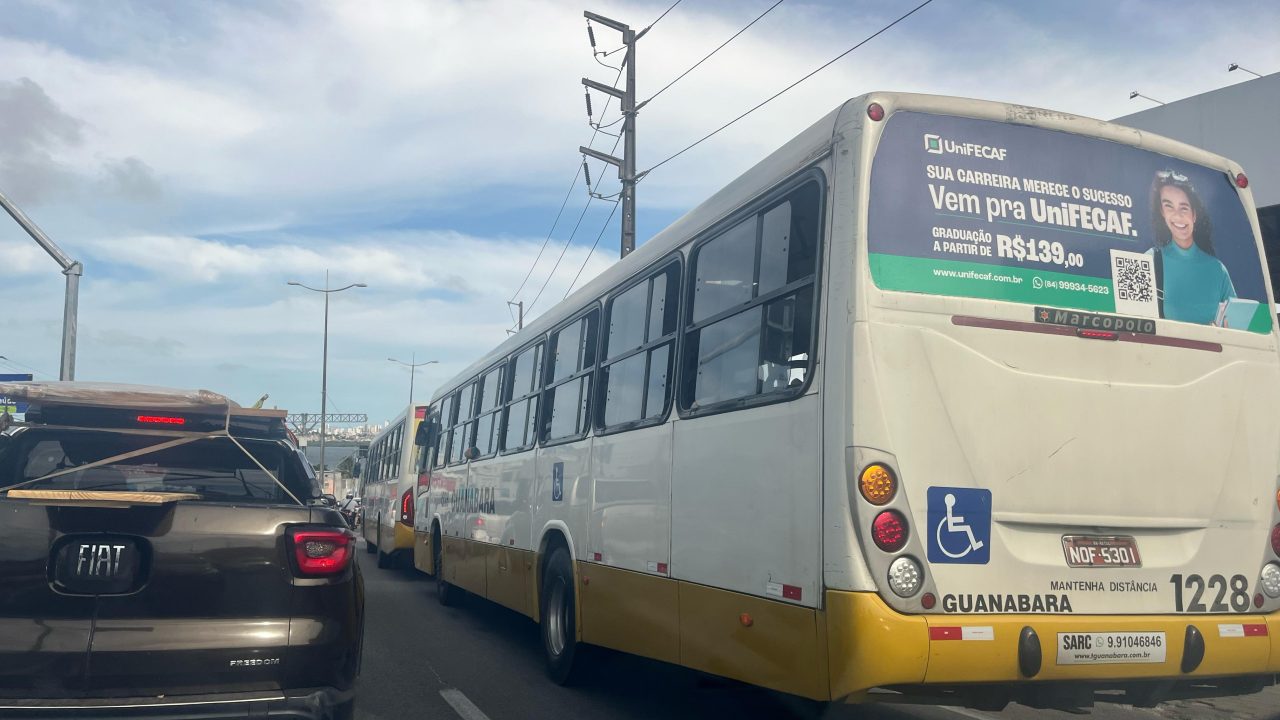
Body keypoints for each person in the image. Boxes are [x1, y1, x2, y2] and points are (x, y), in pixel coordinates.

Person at [1148, 170, 1235, 325]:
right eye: (1169, 207)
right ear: (1162, 212)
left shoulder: (1217, 269)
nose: (1177, 215)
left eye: (1184, 208)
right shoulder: (1150, 260)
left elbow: (1236, 325)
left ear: (1194, 214)